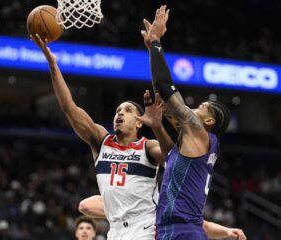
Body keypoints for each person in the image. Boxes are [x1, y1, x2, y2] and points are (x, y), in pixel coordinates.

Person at [30, 30, 244, 239]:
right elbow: (69, 108)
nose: (120, 113)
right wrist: (53, 65)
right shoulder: (101, 141)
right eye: (117, 111)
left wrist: (159, 126)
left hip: (147, 229)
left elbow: (174, 157)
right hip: (116, 231)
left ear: (139, 123)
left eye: (128, 110)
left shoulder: (147, 147)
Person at [143, 5, 242, 240]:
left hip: (182, 231)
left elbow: (165, 89)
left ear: (208, 121)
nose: (193, 109)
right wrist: (157, 125)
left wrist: (156, 41)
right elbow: (170, 157)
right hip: (172, 229)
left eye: (200, 108)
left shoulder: (200, 134)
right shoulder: (191, 146)